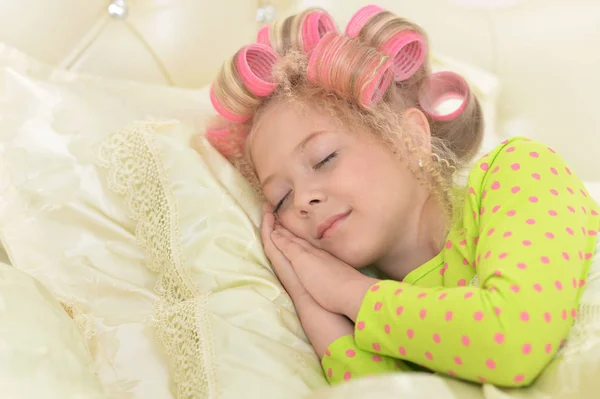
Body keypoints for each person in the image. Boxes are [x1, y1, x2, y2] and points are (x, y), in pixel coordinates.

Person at [203, 4, 600, 387]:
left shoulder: (520, 169)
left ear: (410, 138)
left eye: (324, 159)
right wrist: (311, 304)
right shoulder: (376, 310)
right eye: (281, 198)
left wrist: (347, 292)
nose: (304, 199)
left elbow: (512, 341)